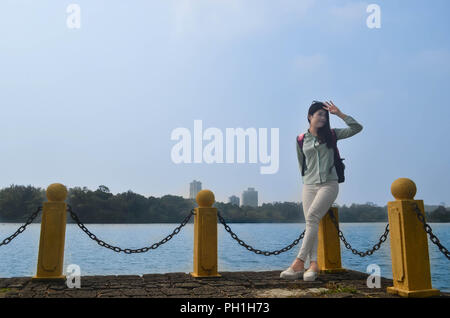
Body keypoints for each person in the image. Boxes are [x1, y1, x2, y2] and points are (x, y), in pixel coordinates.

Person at [280, 100, 363, 281]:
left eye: (325, 116)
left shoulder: (332, 135)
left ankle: (298, 262)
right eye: (319, 114)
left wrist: (339, 114)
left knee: (312, 218)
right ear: (310, 116)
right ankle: (313, 266)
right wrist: (306, 181)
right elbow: (301, 163)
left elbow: (357, 128)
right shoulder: (301, 139)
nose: (323, 118)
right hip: (309, 185)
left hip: (329, 184)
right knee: (312, 223)